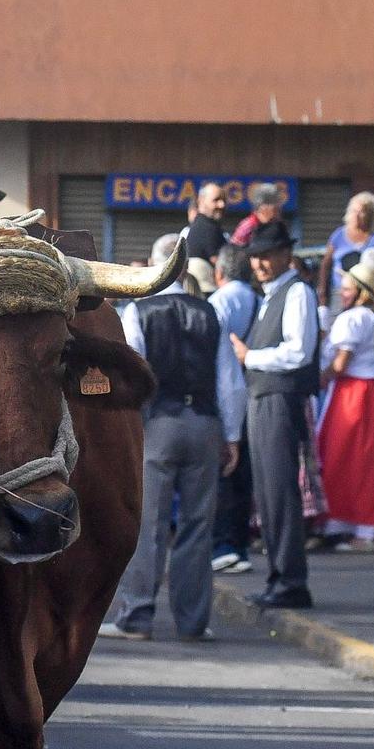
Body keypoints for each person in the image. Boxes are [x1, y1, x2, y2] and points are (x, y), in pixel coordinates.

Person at [102, 234, 245, 641]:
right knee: (198, 525)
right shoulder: (210, 312)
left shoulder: (138, 312)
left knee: (148, 523)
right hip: (203, 422)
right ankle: (193, 620)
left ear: (155, 266)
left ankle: (137, 614)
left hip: (157, 425)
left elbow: (133, 373)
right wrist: (231, 435)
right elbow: (228, 381)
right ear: (183, 268)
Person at [229, 218, 318, 608]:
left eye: (267, 256)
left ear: (286, 255)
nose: (261, 264)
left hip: (280, 399)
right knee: (267, 494)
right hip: (264, 398)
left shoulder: (297, 292)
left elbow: (300, 351)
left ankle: (291, 582)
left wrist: (252, 357)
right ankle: (279, 577)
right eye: (255, 257)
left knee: (281, 492)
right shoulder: (272, 295)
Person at [315, 248, 374, 551]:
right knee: (369, 462)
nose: (343, 292)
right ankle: (363, 529)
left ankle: (344, 525)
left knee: (342, 459)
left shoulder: (352, 319)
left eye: (348, 287)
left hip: (353, 396)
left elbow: (339, 364)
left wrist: (315, 381)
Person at [209, 244, 258, 575]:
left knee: (223, 471)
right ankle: (239, 542)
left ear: (219, 273)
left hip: (223, 393)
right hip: (254, 391)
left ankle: (224, 545)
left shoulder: (218, 302)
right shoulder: (259, 300)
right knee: (245, 474)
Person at [317, 191, 374, 303]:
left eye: (362, 212)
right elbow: (326, 264)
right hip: (339, 293)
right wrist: (322, 292)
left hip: (366, 296)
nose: (356, 215)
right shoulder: (338, 235)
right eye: (354, 211)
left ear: (370, 215)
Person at [228, 182, 285, 248]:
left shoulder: (278, 225)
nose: (280, 208)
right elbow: (233, 251)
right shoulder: (248, 225)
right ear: (263, 207)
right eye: (276, 204)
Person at [183, 181, 229, 262]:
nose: (222, 205)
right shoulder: (207, 228)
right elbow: (218, 262)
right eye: (216, 200)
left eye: (224, 200)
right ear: (201, 201)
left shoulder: (207, 225)